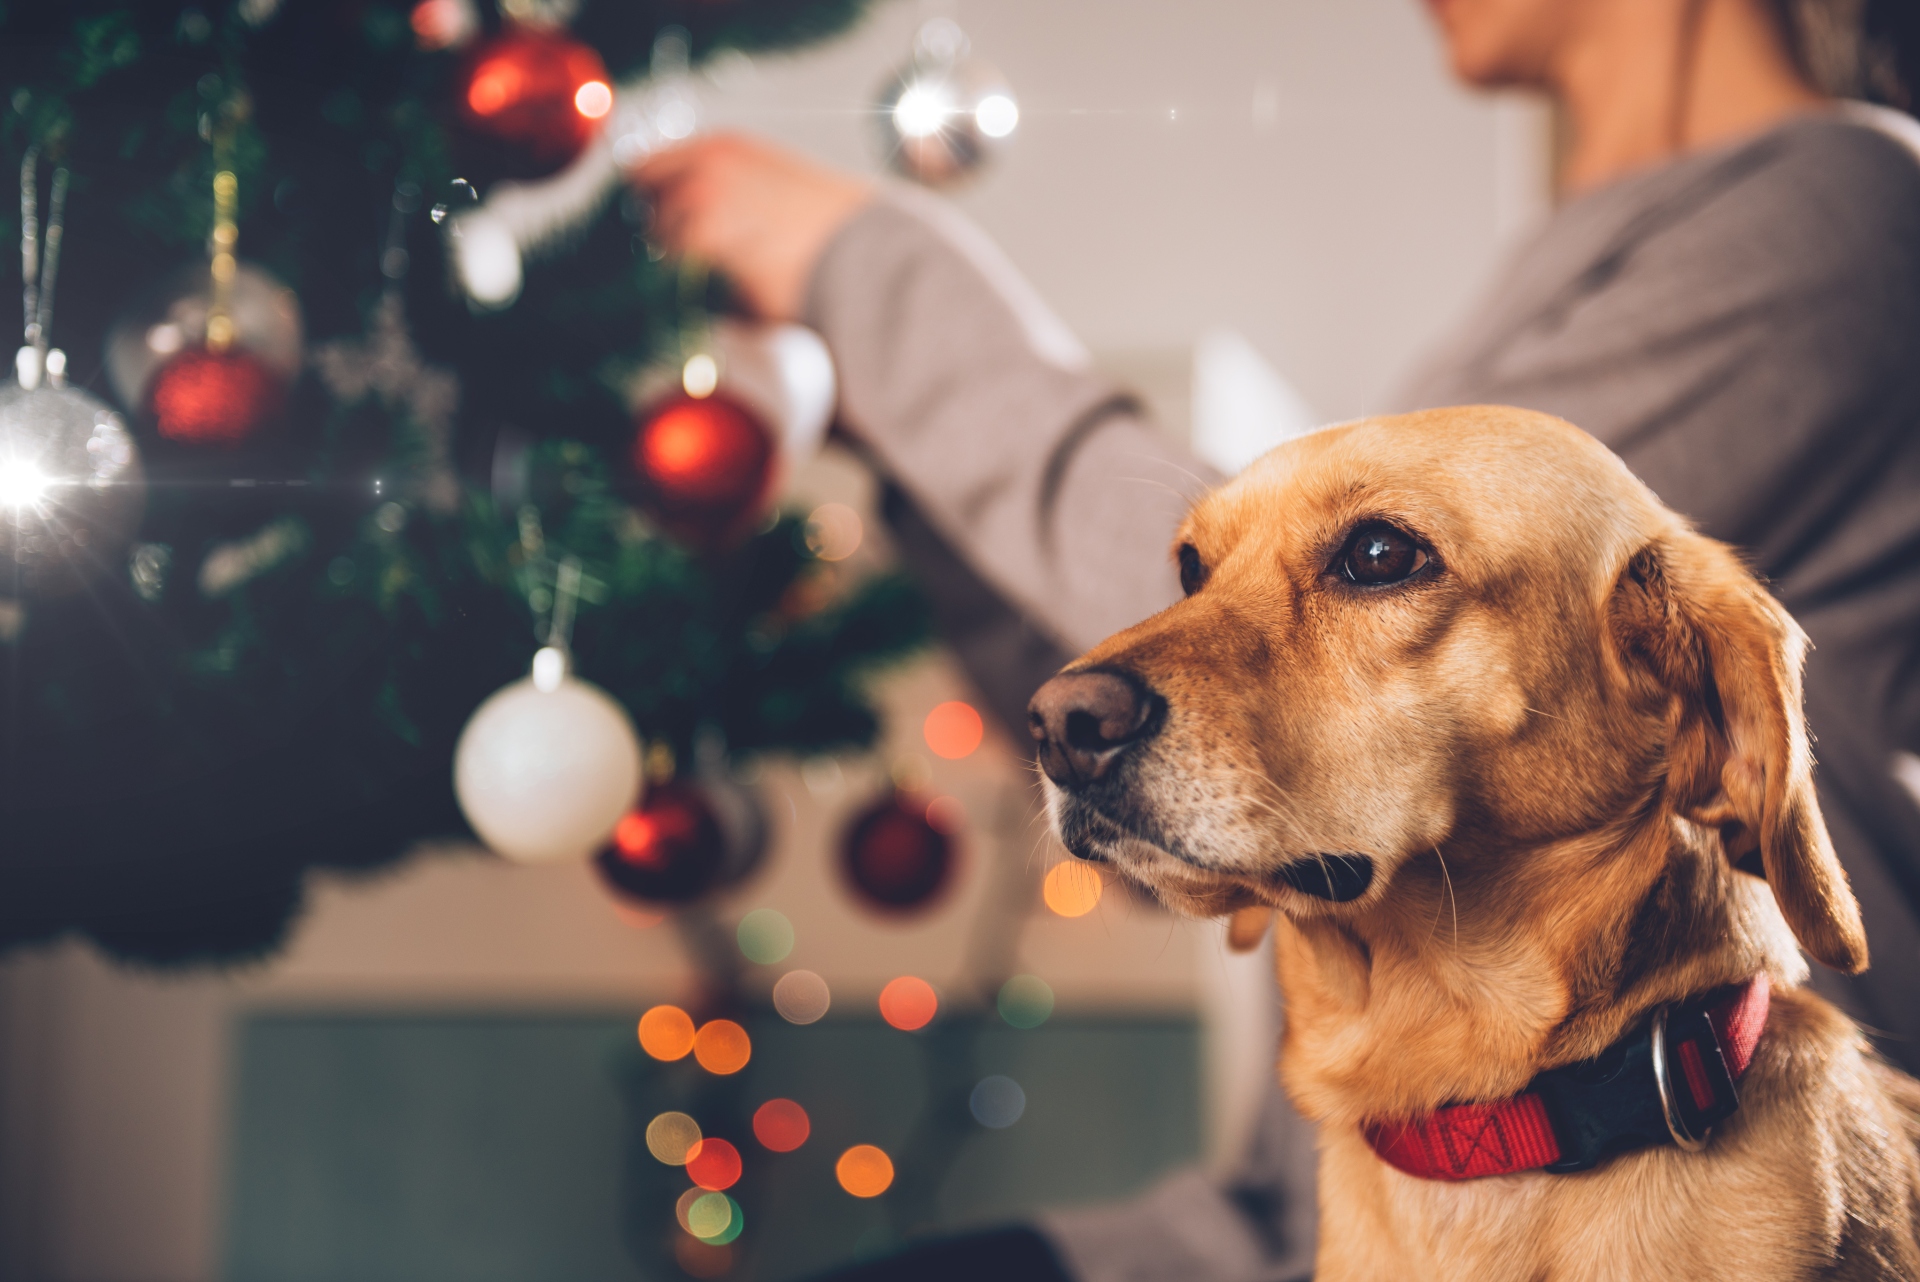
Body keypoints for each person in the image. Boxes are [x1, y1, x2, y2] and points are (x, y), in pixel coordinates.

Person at [636, 0, 1920, 1277]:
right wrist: (910, 464)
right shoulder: (1561, 268)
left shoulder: (1846, 209)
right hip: (1308, 1207)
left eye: (1372, 556)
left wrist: (867, 277)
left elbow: (1311, 689)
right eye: (1197, 563)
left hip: (1688, 1170)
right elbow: (1210, 736)